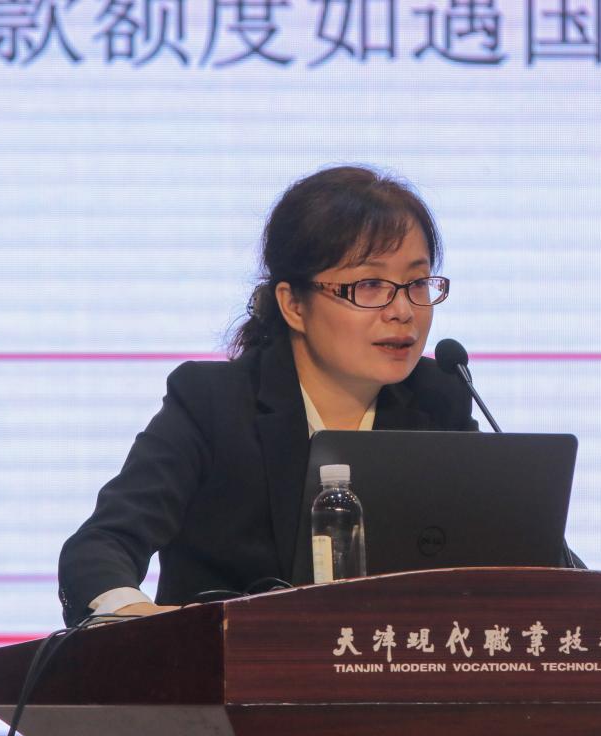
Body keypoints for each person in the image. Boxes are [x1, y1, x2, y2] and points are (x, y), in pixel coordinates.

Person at [57, 165, 477, 626]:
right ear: (293, 304)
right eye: (370, 285)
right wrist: (142, 620)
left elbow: (496, 551)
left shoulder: (439, 399)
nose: (402, 311)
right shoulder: (212, 404)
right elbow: (100, 547)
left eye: (417, 284)